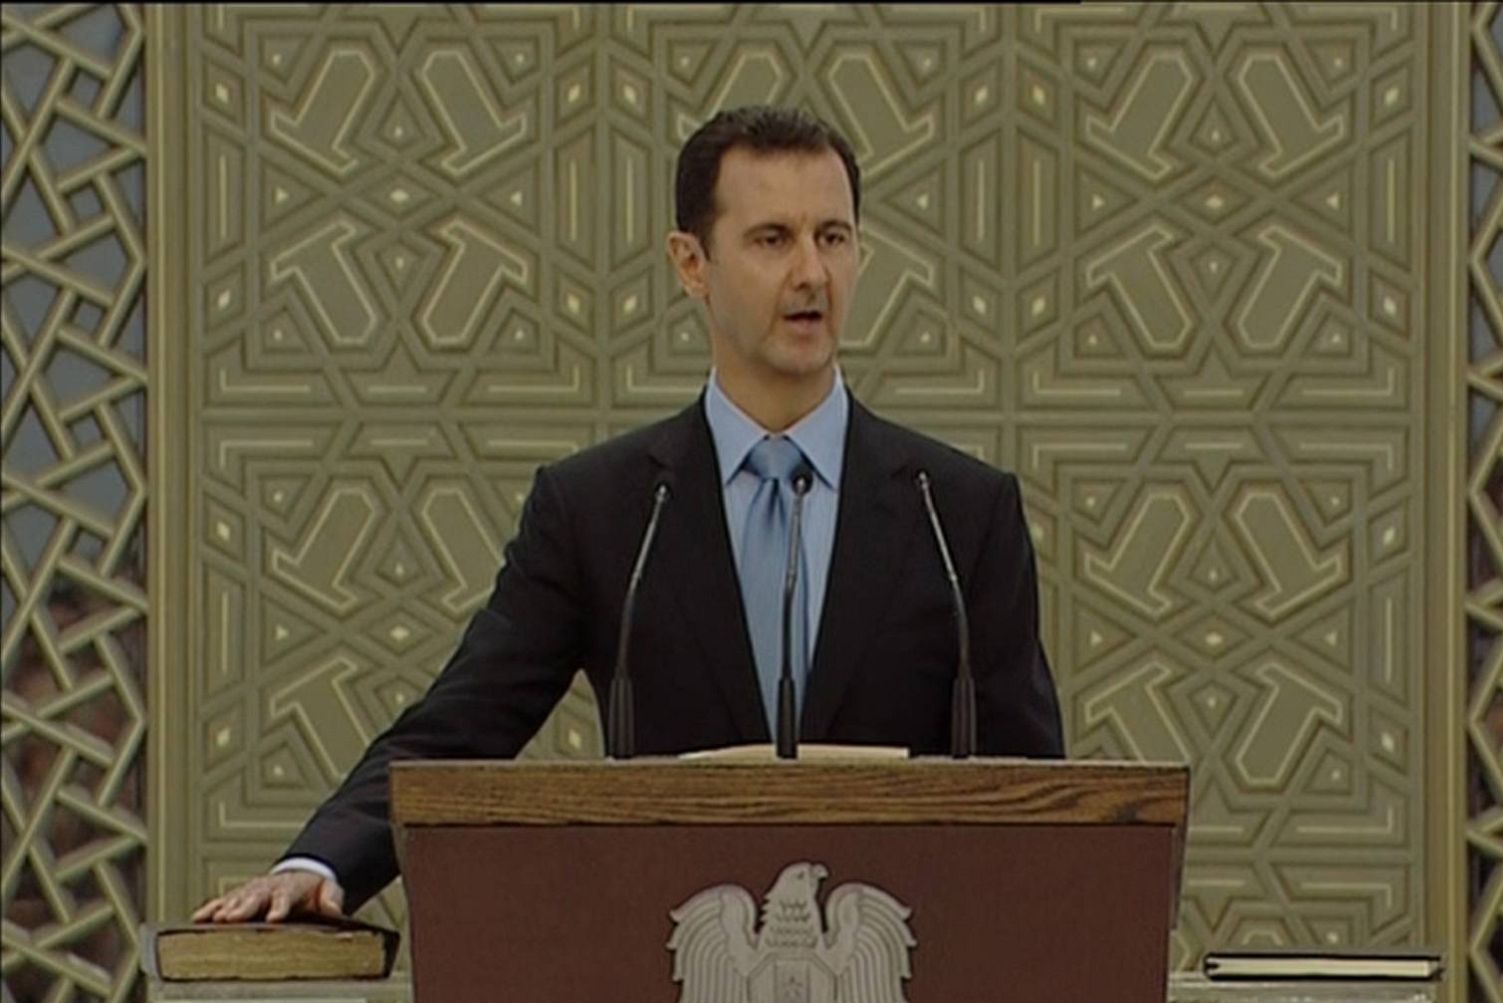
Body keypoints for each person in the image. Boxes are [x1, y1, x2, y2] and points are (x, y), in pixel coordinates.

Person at [194, 105, 1063, 925]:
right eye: (772, 239)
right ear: (692, 263)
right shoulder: (603, 511)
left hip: (915, 994)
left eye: (832, 238)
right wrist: (319, 864)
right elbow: (460, 725)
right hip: (670, 990)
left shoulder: (956, 513)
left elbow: (1043, 795)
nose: (812, 273)